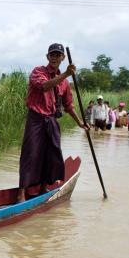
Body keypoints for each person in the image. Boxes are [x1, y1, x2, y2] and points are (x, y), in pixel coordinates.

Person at [17, 43, 89, 202]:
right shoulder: (39, 71)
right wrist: (65, 75)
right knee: (31, 153)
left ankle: (43, 187)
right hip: (36, 118)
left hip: (51, 120)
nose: (55, 57)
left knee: (51, 155)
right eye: (52, 55)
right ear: (47, 57)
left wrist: (80, 123)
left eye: (58, 55)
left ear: (63, 57)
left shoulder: (65, 83)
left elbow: (69, 105)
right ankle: (21, 193)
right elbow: (44, 86)